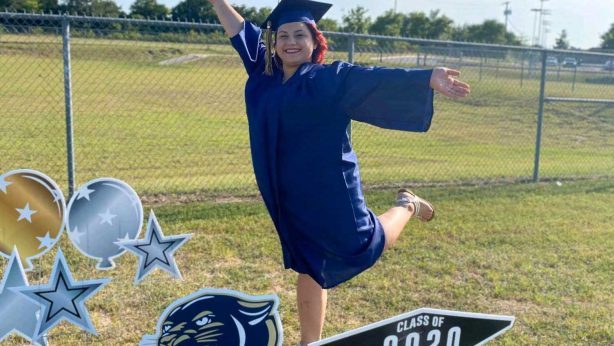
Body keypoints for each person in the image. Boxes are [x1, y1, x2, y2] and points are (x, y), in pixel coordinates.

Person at [208, 0, 471, 344]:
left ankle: (406, 205)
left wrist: (427, 78)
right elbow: (239, 28)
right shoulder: (264, 74)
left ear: (315, 41)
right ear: (273, 43)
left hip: (331, 188)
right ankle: (309, 341)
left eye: (299, 35)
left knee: (363, 245)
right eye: (283, 35)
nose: (290, 41)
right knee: (308, 262)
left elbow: (374, 80)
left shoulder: (330, 78)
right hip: (290, 194)